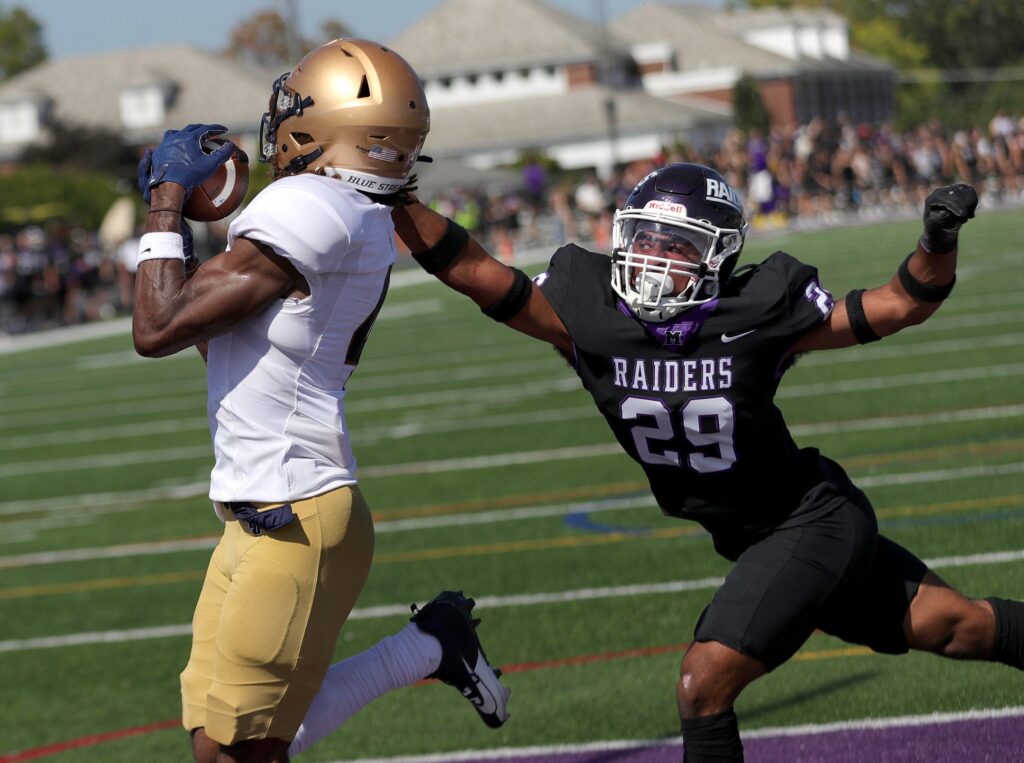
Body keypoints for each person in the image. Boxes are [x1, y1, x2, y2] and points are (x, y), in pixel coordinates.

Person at [390, 162, 1024, 762]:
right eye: (644, 238)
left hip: (811, 522)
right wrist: (395, 195)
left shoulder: (756, 310)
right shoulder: (588, 311)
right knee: (957, 626)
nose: (652, 257)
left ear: (716, 255)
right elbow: (472, 269)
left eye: (676, 245)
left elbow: (899, 304)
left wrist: (937, 238)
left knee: (703, 681)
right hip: (755, 536)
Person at [131, 39, 510, 763]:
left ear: (325, 124)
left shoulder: (311, 205)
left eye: (296, 108)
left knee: (246, 752)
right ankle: (428, 645)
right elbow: (217, 342)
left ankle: (428, 646)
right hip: (263, 506)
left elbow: (155, 329)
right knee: (217, 744)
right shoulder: (348, 209)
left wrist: (167, 200)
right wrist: (179, 235)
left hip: (294, 513)